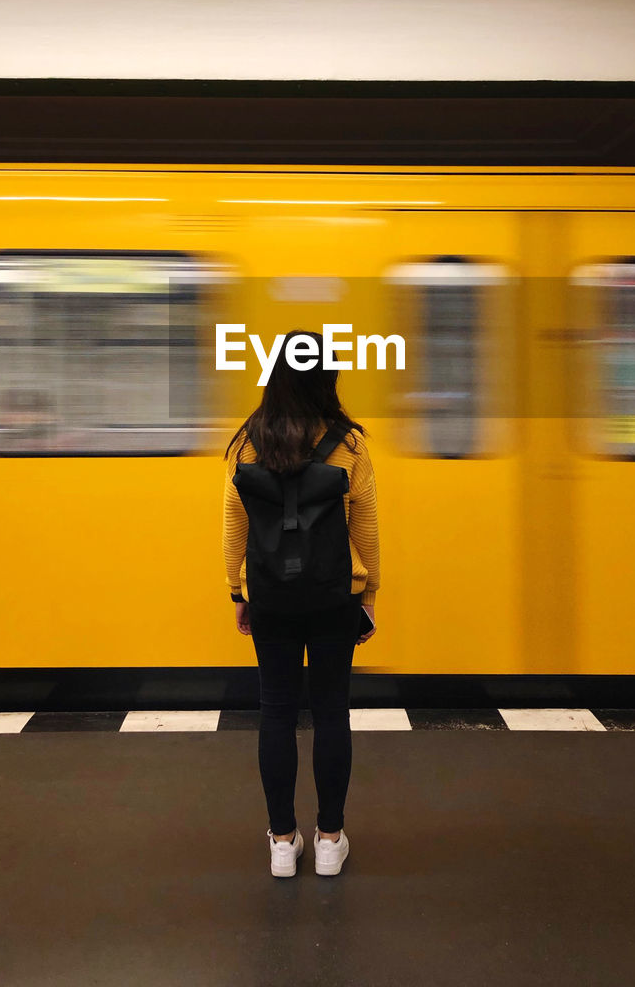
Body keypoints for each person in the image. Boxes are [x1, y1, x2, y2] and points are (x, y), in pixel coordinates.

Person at [223, 329, 380, 878]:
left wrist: (237, 591)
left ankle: (283, 842)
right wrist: (369, 594)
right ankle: (331, 839)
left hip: (271, 598)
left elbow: (234, 522)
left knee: (277, 714)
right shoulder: (350, 443)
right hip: (334, 596)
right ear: (326, 377)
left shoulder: (248, 440)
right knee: (333, 712)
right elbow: (366, 524)